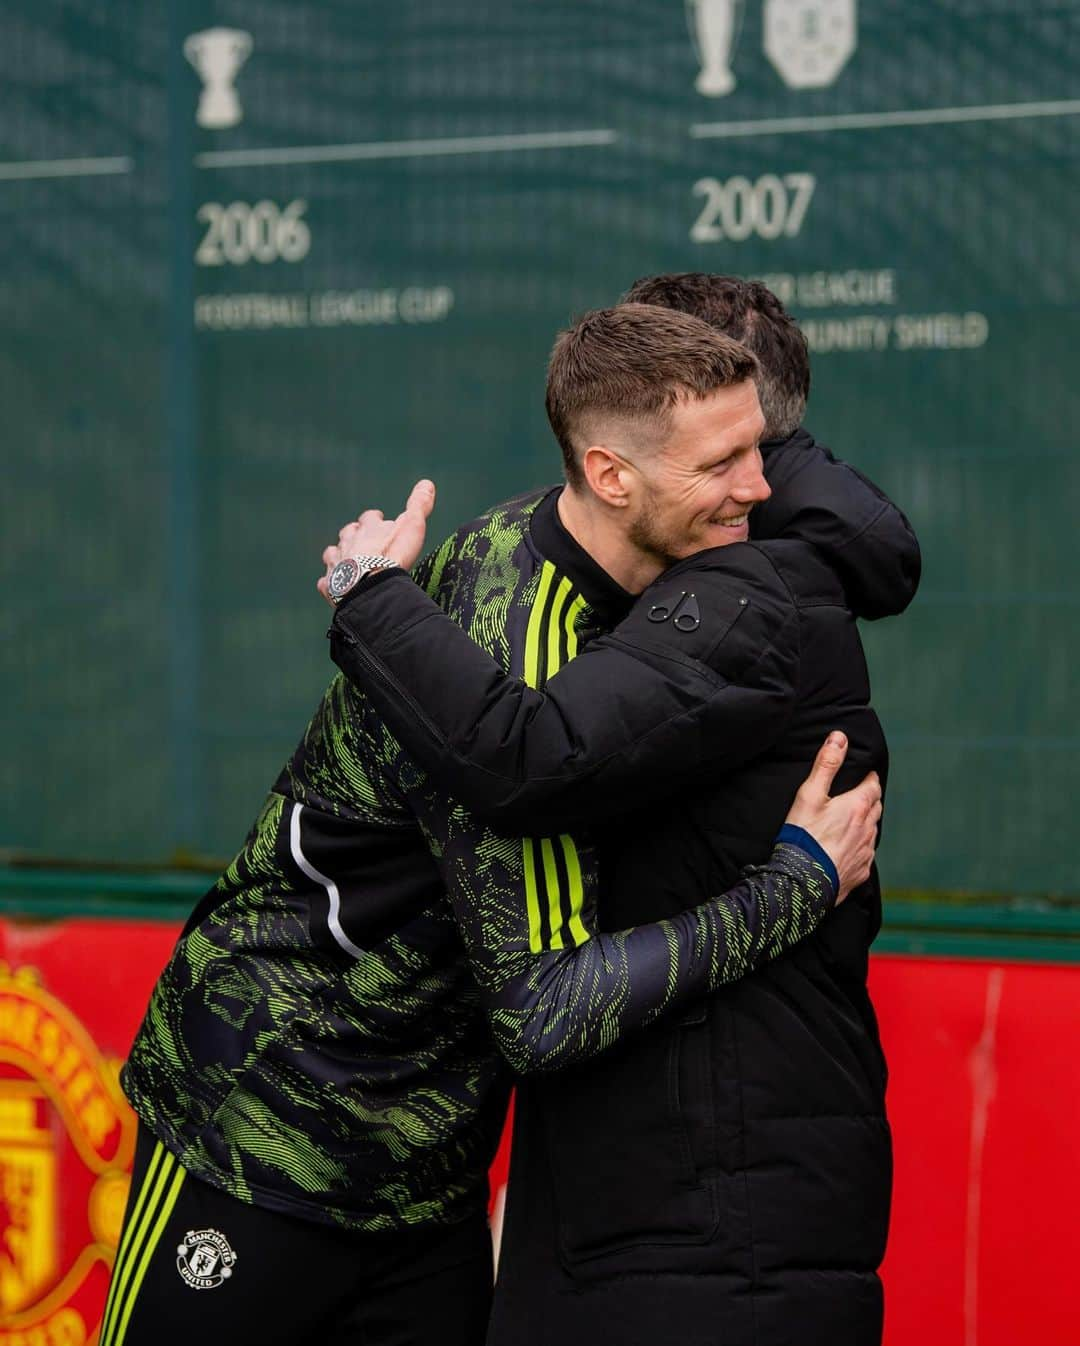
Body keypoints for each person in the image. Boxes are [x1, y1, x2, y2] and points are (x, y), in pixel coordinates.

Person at [104, 312, 882, 1345]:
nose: (760, 486)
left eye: (761, 449)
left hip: (429, 1175)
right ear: (610, 475)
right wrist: (795, 882)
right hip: (262, 1125)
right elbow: (546, 1010)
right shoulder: (517, 649)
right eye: (725, 460)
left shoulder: (634, 591)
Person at [321, 301, 919, 1345]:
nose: (753, 486)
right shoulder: (694, 579)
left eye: (741, 447)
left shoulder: (747, 591)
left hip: (710, 1223)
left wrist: (369, 594)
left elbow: (528, 756)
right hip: (660, 1204)